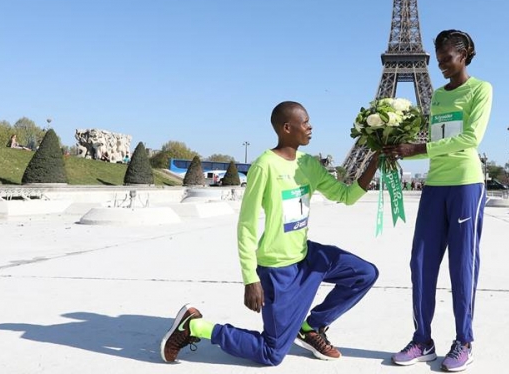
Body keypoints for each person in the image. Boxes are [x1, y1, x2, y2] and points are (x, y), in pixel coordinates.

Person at [160, 101, 380, 366]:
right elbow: (247, 225)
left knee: (365, 273)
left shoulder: (308, 164)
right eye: (306, 122)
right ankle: (195, 326)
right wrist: (250, 278)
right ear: (287, 128)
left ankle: (311, 327)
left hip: (308, 258)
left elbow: (345, 196)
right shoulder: (264, 166)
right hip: (278, 270)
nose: (311, 127)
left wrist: (375, 160)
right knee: (271, 354)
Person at [383, 29, 492, 372]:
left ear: (465, 54)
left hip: (465, 184)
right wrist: (397, 152)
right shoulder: (439, 97)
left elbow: (469, 138)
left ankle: (464, 340)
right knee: (420, 264)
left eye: (447, 58)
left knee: (462, 266)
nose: (442, 65)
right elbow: (434, 143)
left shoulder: (481, 90)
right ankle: (422, 339)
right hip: (435, 185)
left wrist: (418, 148)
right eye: (439, 58)